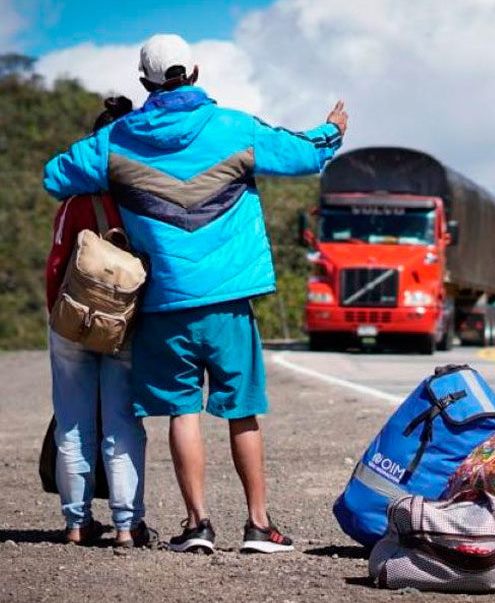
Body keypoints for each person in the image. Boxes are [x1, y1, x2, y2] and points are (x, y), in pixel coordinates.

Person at [43, 33, 348, 554]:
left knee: (183, 413)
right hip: (229, 302)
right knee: (241, 412)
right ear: (197, 72)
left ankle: (197, 525)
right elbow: (302, 153)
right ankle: (257, 526)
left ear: (145, 83)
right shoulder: (233, 128)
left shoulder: (117, 140)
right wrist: (332, 132)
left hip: (163, 305)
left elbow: (56, 176)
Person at [46, 96, 157, 548]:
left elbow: (56, 264)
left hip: (71, 321)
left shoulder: (74, 201)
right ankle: (127, 525)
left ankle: (76, 522)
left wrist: (61, 317)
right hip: (124, 327)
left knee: (73, 423)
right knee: (122, 425)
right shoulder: (143, 198)